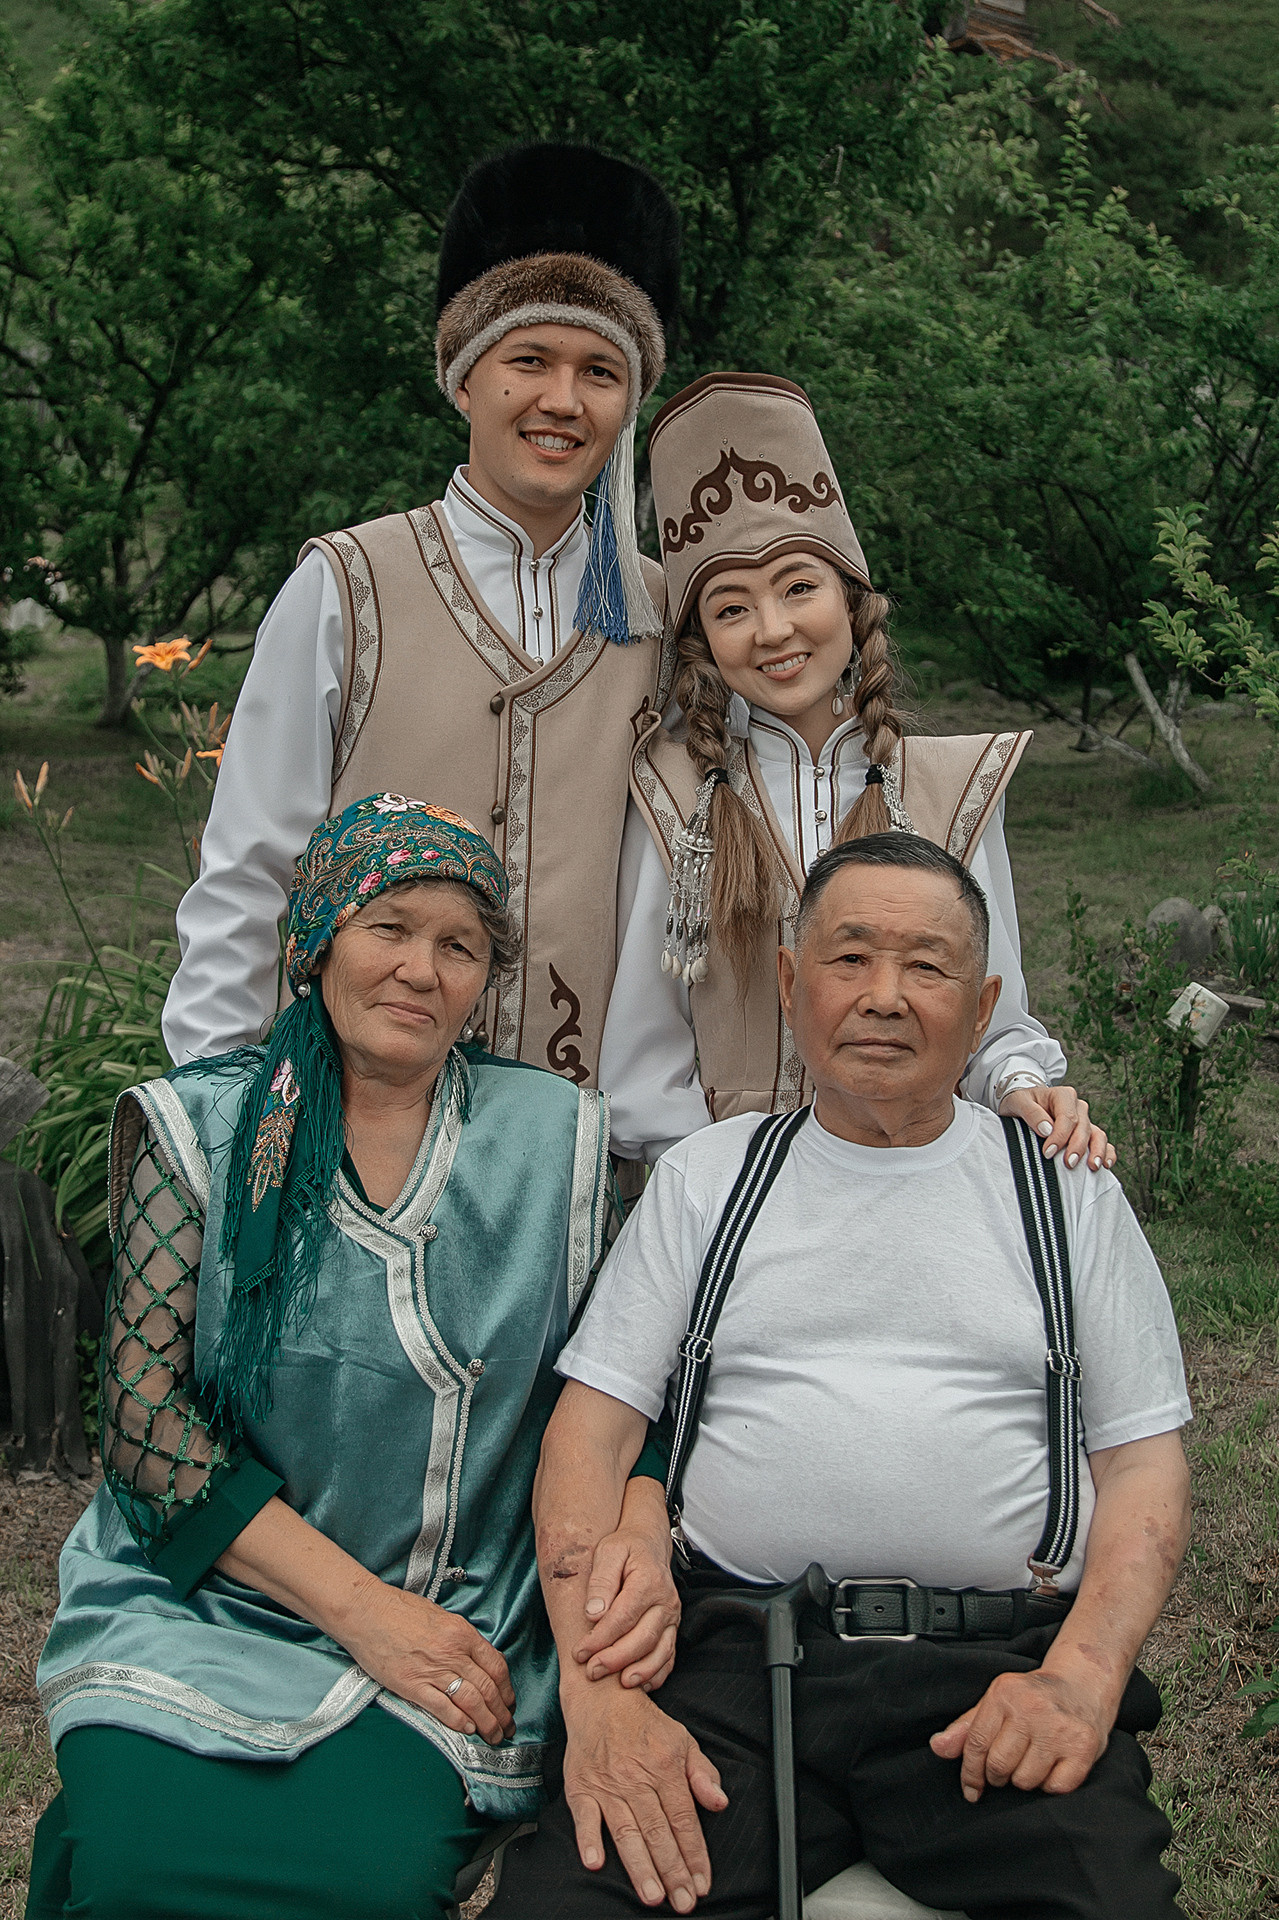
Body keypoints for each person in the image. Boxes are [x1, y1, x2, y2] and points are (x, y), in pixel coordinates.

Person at [490, 833, 1192, 1920]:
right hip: (737, 1658)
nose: (885, 997)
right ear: (787, 980)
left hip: (991, 1667)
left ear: (982, 999)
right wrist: (600, 1703)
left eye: (928, 966)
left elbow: (1144, 1471)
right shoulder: (709, 1179)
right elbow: (589, 1438)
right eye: (850, 958)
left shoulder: (1065, 1193)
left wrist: (1081, 1679)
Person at [27, 795, 674, 1920]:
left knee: (363, 1881)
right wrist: (366, 1615)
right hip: (205, 1604)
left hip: (460, 1607)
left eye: (459, 945)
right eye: (390, 927)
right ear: (317, 937)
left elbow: (624, 1387)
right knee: (135, 1868)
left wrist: (641, 1524)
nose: (421, 969)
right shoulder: (203, 1130)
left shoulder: (551, 1139)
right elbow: (145, 1427)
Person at [162, 143, 682, 1087]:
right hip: (345, 1111)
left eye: (600, 371)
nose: (561, 401)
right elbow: (246, 871)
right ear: (465, 378)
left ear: (630, 403)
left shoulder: (663, 614)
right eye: (529, 359)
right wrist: (215, 1100)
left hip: (574, 1133)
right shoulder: (347, 585)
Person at [602, 371, 1111, 1170]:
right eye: (730, 607)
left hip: (913, 1174)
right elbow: (641, 1068)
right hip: (726, 1192)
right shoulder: (672, 800)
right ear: (700, 637)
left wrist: (1019, 1082)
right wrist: (739, 1191)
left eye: (798, 588)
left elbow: (994, 1017)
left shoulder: (951, 788)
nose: (772, 631)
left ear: (851, 599)